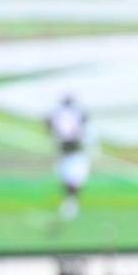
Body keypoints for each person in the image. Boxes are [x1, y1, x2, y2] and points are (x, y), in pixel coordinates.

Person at [47, 93, 90, 223]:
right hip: (66, 155)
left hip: (75, 155)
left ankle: (71, 204)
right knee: (67, 180)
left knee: (74, 180)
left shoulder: (72, 114)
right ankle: (70, 204)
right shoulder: (61, 115)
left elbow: (84, 121)